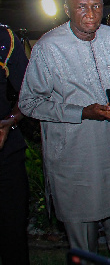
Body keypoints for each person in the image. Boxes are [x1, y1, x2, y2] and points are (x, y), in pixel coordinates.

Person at [19, 0, 110, 261]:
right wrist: (83, 112)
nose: (91, 13)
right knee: (84, 251)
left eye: (96, 6)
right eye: (82, 6)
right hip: (75, 163)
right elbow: (29, 102)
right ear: (66, 10)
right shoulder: (48, 48)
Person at [0, 24, 30, 265]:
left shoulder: (4, 37)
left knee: (13, 231)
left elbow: (29, 92)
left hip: (5, 153)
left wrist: (9, 122)